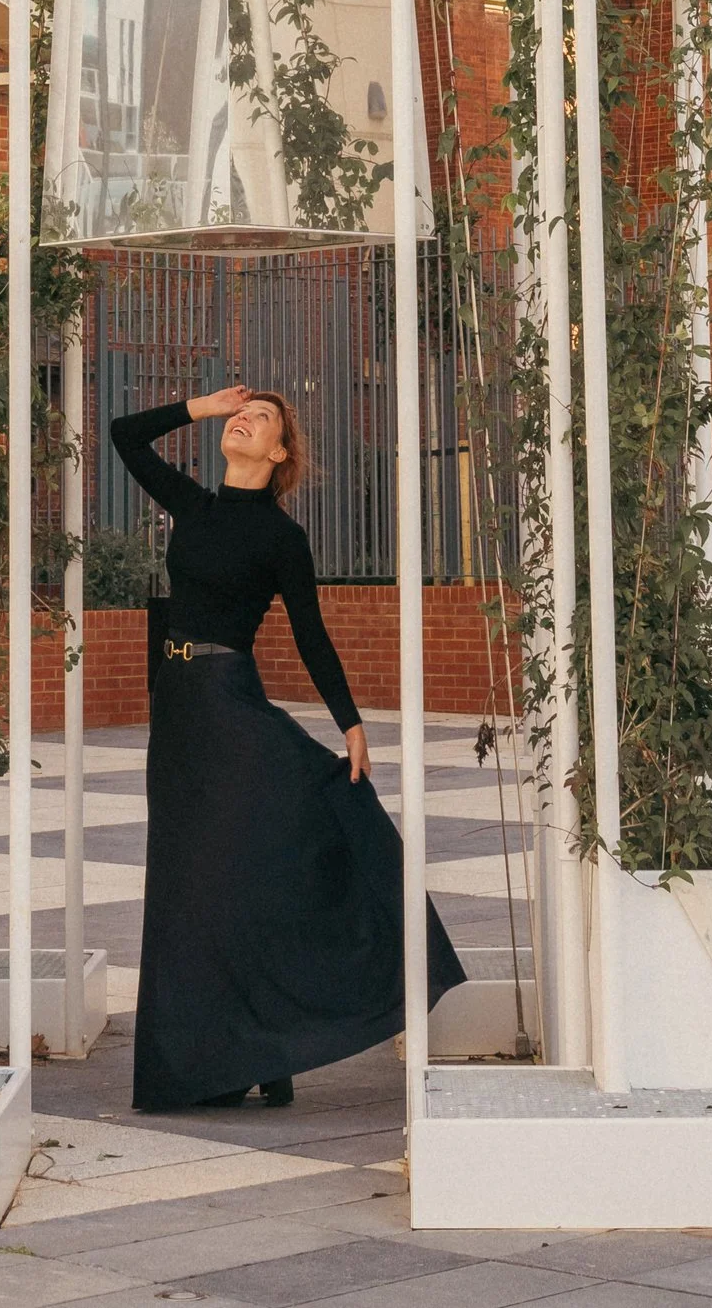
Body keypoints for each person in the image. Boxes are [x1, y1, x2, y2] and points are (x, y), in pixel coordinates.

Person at [113, 381, 463, 1113]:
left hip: (228, 703)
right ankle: (244, 1052)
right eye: (241, 411)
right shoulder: (194, 505)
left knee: (242, 865)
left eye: (259, 416)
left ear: (278, 452)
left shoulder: (281, 537)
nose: (243, 417)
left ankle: (275, 1040)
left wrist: (351, 721)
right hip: (175, 712)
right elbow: (123, 434)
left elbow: (310, 634)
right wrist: (199, 407)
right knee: (188, 888)